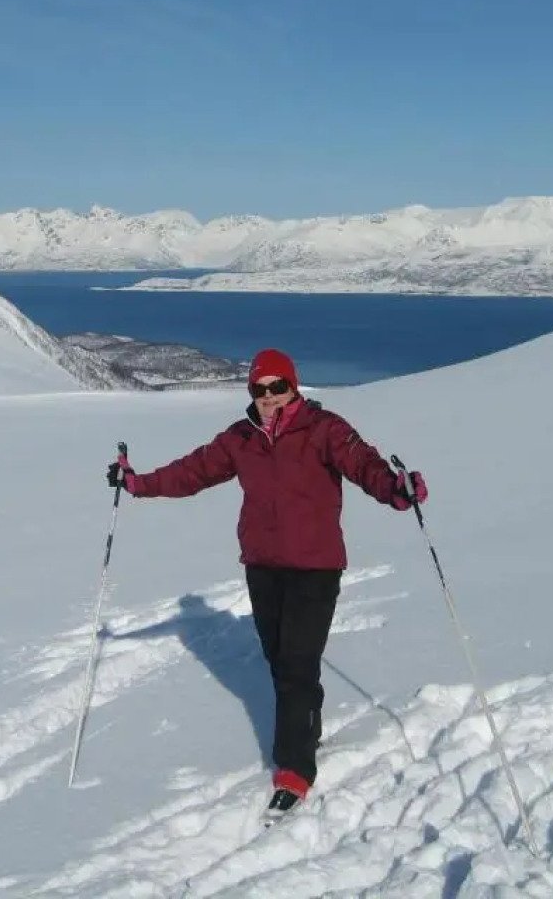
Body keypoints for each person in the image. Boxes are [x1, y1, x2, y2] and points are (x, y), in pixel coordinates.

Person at [106, 347, 428, 818]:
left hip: (316, 567)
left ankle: (294, 770)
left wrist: (396, 490)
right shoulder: (242, 439)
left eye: (278, 387)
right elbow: (192, 471)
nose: (269, 397)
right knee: (282, 661)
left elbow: (365, 465)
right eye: (259, 389)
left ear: (294, 387)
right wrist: (139, 484)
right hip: (262, 565)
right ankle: (309, 721)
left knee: (296, 663)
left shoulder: (325, 429)